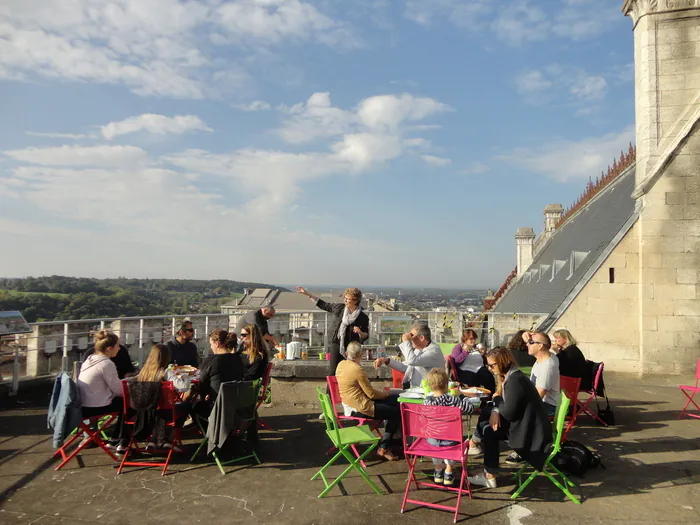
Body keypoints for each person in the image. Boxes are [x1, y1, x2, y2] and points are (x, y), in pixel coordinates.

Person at [466, 347, 552, 489]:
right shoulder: (512, 376)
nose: (490, 368)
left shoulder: (515, 381)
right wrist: (495, 410)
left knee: (489, 430)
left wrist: (497, 400)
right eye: (488, 365)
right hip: (526, 424)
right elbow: (506, 409)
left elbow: (508, 413)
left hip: (531, 433)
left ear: (503, 362)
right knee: (487, 419)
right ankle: (477, 452)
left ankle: (486, 470)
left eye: (492, 365)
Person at [336, 341, 400, 461]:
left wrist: (386, 395)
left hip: (349, 404)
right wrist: (386, 393)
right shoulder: (357, 370)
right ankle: (384, 447)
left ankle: (389, 442)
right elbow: (371, 393)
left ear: (346, 353)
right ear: (361, 355)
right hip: (361, 408)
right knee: (396, 411)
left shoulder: (341, 365)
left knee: (394, 401)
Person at [296, 286, 369, 378]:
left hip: (352, 348)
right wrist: (308, 294)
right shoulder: (339, 308)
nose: (345, 301)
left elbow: (366, 335)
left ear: (355, 300)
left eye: (348, 299)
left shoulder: (363, 317)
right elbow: (324, 305)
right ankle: (330, 392)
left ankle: (345, 392)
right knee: (333, 372)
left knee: (350, 373)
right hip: (336, 344)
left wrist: (360, 333)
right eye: (344, 298)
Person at [423, 368, 475, 486]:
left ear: (430, 386)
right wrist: (463, 397)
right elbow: (470, 409)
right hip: (450, 441)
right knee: (452, 443)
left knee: (436, 444)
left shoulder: (427, 402)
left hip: (432, 441)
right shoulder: (454, 401)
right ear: (447, 384)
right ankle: (448, 471)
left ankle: (437, 470)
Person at [136, 344, 191, 450]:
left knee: (161, 410)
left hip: (145, 412)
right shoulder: (165, 372)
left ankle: (153, 440)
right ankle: (169, 438)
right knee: (186, 406)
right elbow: (183, 387)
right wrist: (186, 377)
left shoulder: (143, 372)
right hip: (164, 412)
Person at [77, 333, 126, 452]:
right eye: (117, 345)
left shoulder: (90, 359)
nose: (119, 348)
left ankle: (115, 437)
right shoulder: (107, 364)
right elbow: (119, 390)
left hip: (82, 405)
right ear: (110, 349)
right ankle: (118, 438)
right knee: (130, 404)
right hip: (95, 407)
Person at [373, 322, 444, 388]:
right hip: (417, 390)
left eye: (412, 335)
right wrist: (386, 360)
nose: (410, 338)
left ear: (421, 338)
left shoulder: (434, 351)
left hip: (429, 393)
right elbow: (404, 367)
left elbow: (412, 361)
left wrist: (406, 341)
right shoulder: (418, 350)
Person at [197, 330, 244, 411]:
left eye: (211, 344)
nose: (211, 347)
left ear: (217, 344)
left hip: (216, 407)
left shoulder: (210, 361)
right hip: (236, 405)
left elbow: (202, 384)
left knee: (193, 406)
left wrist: (204, 396)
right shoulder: (238, 359)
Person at [523, 331, 560, 417]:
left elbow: (539, 394)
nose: (527, 345)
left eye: (531, 342)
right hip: (542, 402)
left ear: (540, 346)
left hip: (547, 406)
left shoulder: (547, 366)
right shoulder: (546, 357)